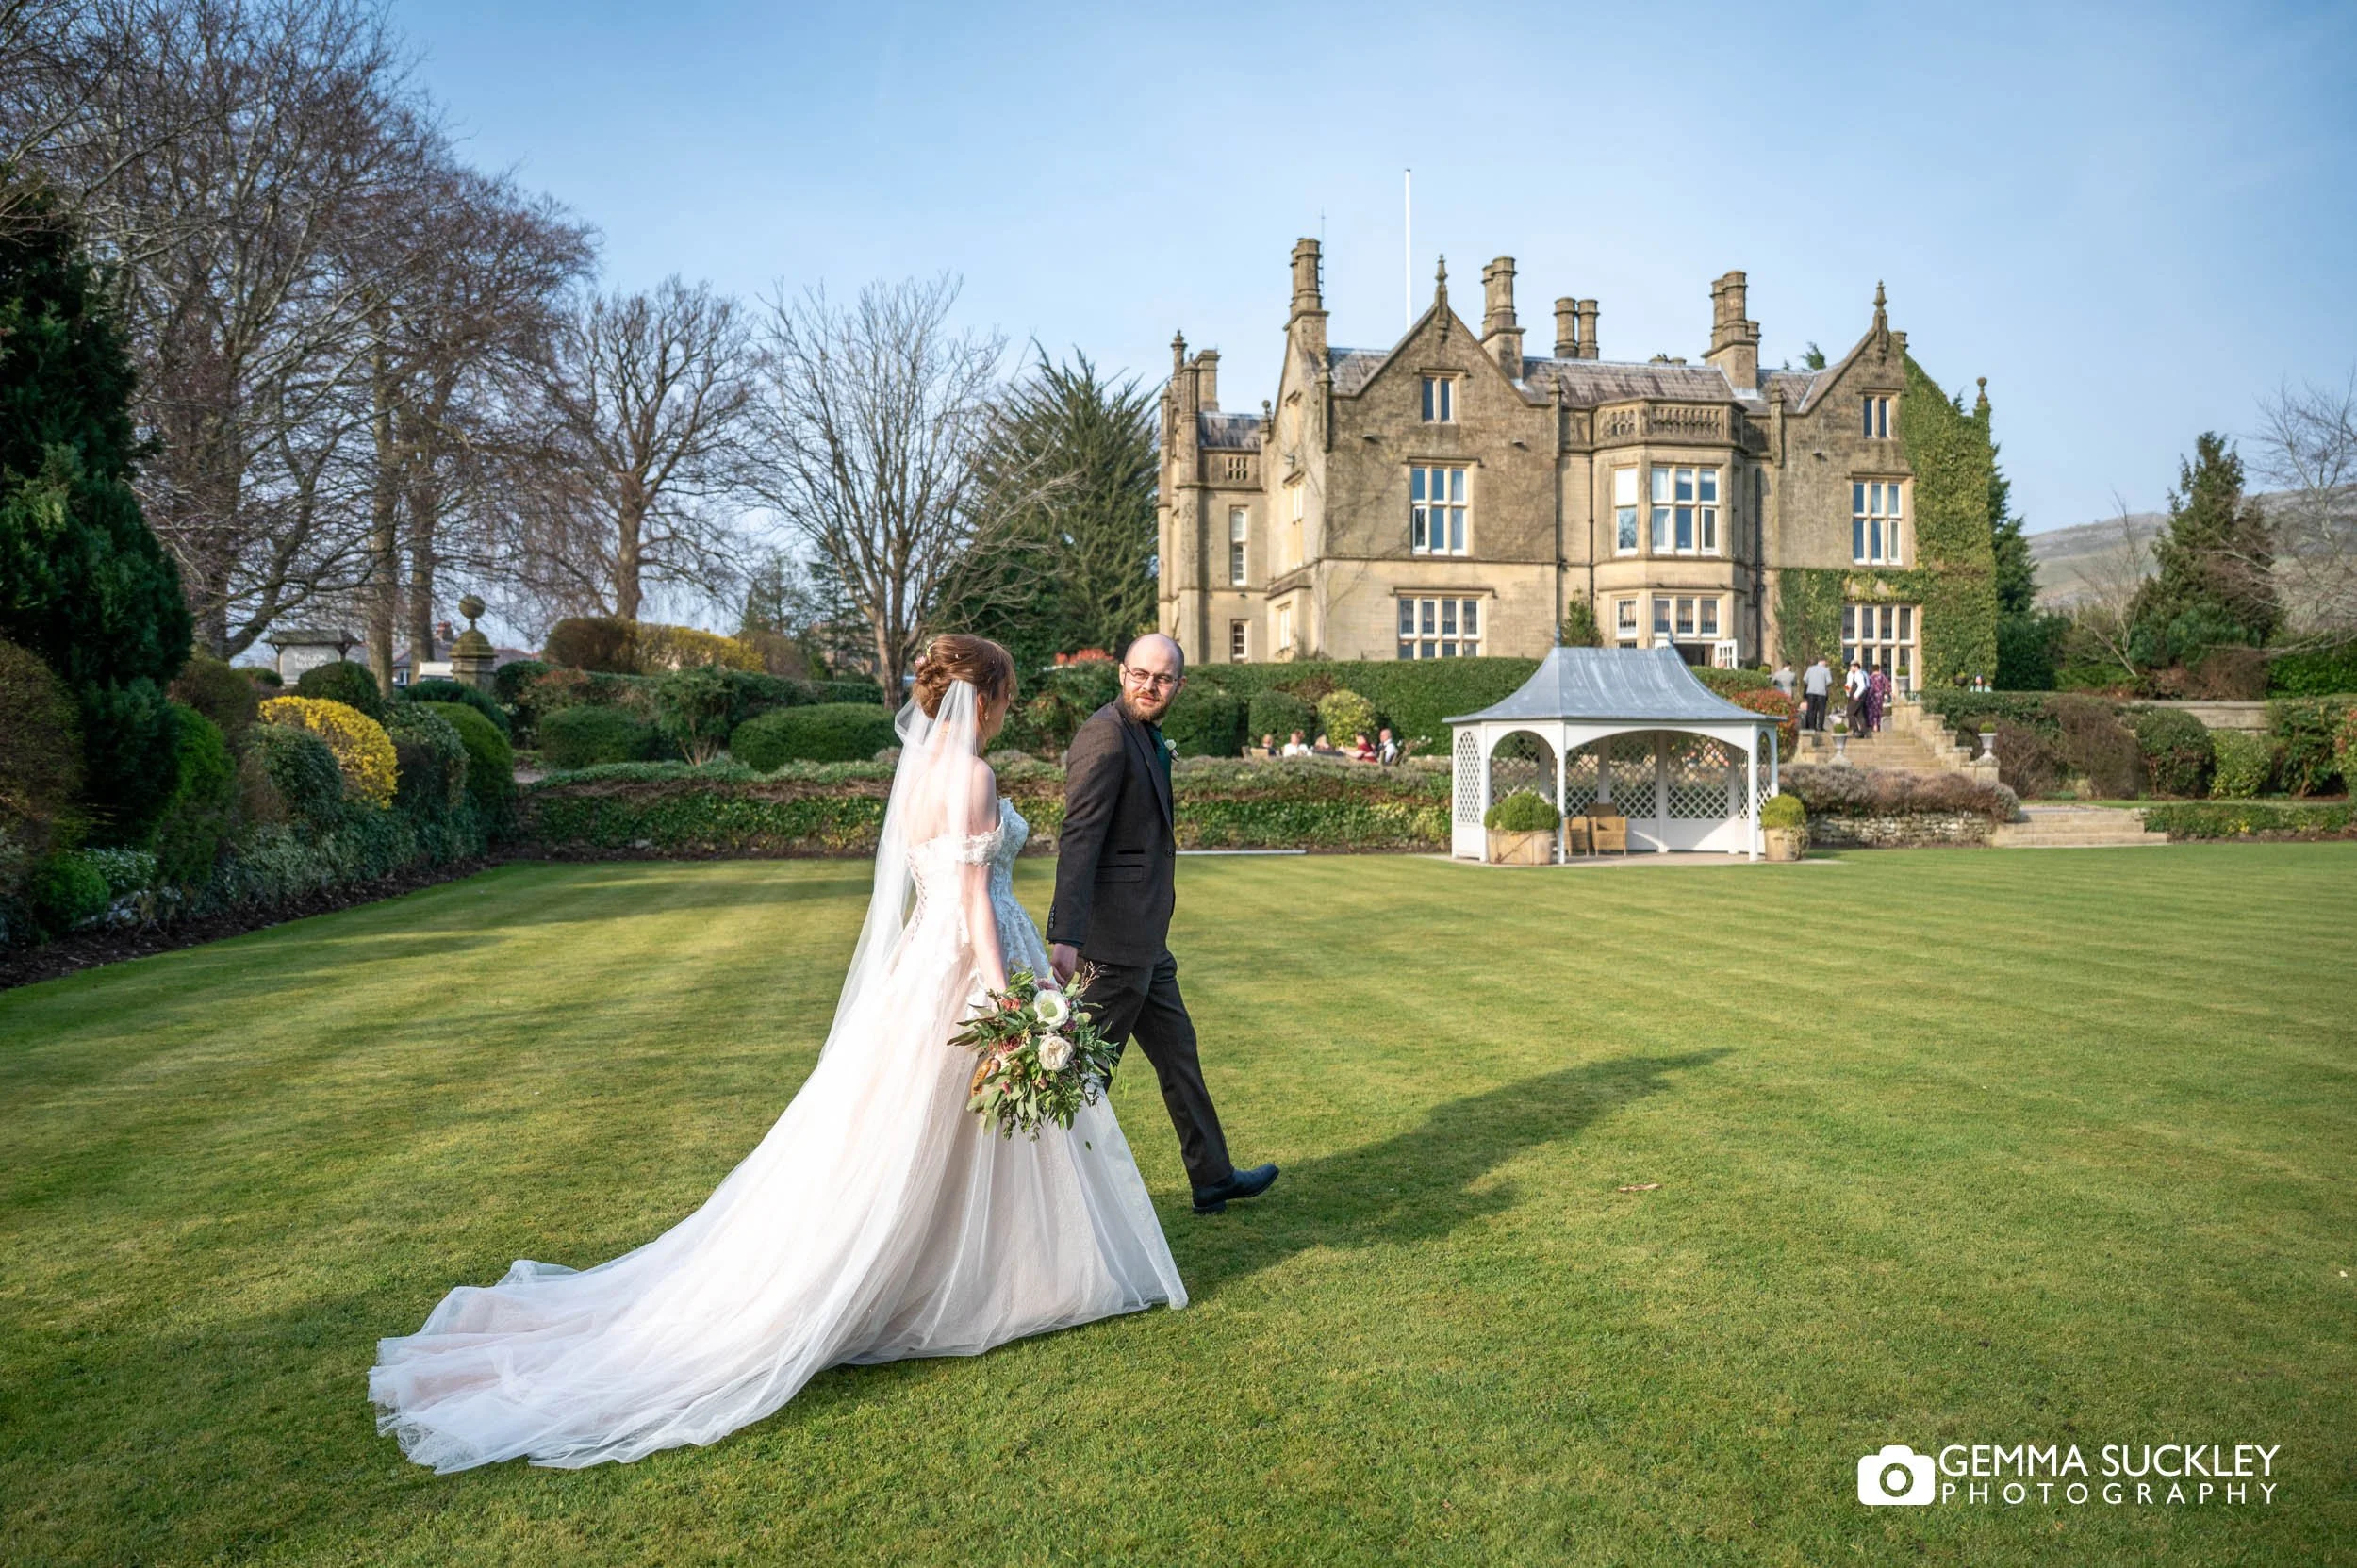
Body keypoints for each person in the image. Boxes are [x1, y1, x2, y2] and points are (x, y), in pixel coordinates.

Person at [369, 635, 1186, 1473]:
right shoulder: (972, 778)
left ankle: (994, 1270)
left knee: (915, 1130)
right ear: (988, 699)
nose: (1008, 709)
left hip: (922, 966)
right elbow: (975, 903)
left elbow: (932, 886)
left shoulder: (917, 786)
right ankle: (992, 1278)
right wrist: (1009, 1003)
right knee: (954, 1123)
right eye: (1006, 695)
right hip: (970, 964)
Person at [1048, 633, 1278, 1217]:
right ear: (1121, 673)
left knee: (1179, 1058)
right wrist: (1067, 936)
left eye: (1163, 678)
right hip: (1113, 940)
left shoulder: (1145, 736)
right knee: (1083, 1075)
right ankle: (1048, 1193)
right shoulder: (1105, 734)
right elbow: (1079, 837)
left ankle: (1212, 1177)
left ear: (1179, 684)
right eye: (1140, 674)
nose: (1150, 686)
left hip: (1148, 936)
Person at [1802, 656, 1833, 733]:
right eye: (1826, 662)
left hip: (1811, 692)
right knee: (1821, 710)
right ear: (1823, 661)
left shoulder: (1810, 668)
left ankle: (1812, 727)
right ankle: (1820, 727)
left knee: (1811, 710)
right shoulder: (1826, 670)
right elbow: (1829, 681)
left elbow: (1805, 679)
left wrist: (1812, 683)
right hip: (1821, 693)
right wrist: (1823, 684)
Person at [1844, 661, 1870, 734]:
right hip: (1852, 696)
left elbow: (1862, 686)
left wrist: (1856, 695)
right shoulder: (1850, 674)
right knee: (1859, 714)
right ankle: (1865, 731)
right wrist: (1847, 693)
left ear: (1856, 667)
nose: (1850, 668)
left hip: (1857, 697)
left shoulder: (1859, 675)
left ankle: (1856, 730)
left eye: (1852, 666)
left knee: (1849, 713)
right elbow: (1847, 684)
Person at [1867, 667, 1891, 734]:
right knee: (1878, 711)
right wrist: (1891, 693)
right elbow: (1887, 685)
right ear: (1879, 669)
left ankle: (1872, 726)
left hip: (1870, 697)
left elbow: (1866, 687)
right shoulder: (1882, 677)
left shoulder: (1869, 678)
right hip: (1879, 697)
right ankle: (1876, 725)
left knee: (1871, 711)